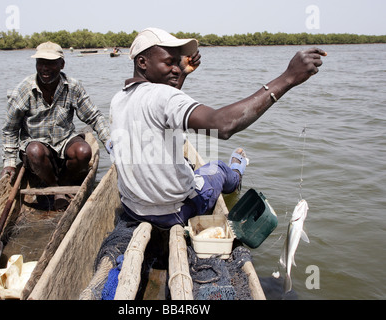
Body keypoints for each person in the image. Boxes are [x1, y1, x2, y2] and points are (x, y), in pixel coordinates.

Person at [110, 27, 326, 229]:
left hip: (134, 209)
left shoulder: (119, 98)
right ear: (142, 62)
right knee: (218, 169)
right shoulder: (162, 96)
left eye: (178, 63)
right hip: (174, 213)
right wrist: (288, 77)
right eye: (169, 63)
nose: (176, 68)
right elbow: (223, 125)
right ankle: (236, 173)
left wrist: (182, 74)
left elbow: (162, 110)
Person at [2, 41, 110, 208]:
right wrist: (9, 163)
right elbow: (10, 129)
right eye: (41, 63)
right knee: (35, 151)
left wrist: (110, 141)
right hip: (36, 147)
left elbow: (94, 117)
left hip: (64, 140)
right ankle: (55, 188)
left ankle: (63, 182)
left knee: (83, 151)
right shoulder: (23, 90)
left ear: (62, 64)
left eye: (51, 63)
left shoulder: (72, 87)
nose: (45, 68)